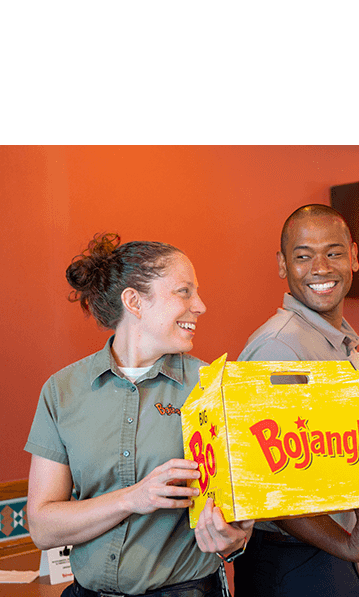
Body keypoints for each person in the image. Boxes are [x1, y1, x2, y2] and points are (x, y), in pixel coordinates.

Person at [25, 233, 253, 597]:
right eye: (184, 291)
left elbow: (238, 524)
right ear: (134, 301)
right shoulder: (61, 390)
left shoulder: (213, 387)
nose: (200, 306)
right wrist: (134, 497)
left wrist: (232, 538)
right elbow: (41, 527)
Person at [234, 204, 359, 597]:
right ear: (282, 264)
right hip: (290, 560)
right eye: (303, 256)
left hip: (325, 551)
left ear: (355, 257)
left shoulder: (334, 341)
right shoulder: (279, 345)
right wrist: (347, 545)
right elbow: (264, 482)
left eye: (334, 252)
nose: (321, 268)